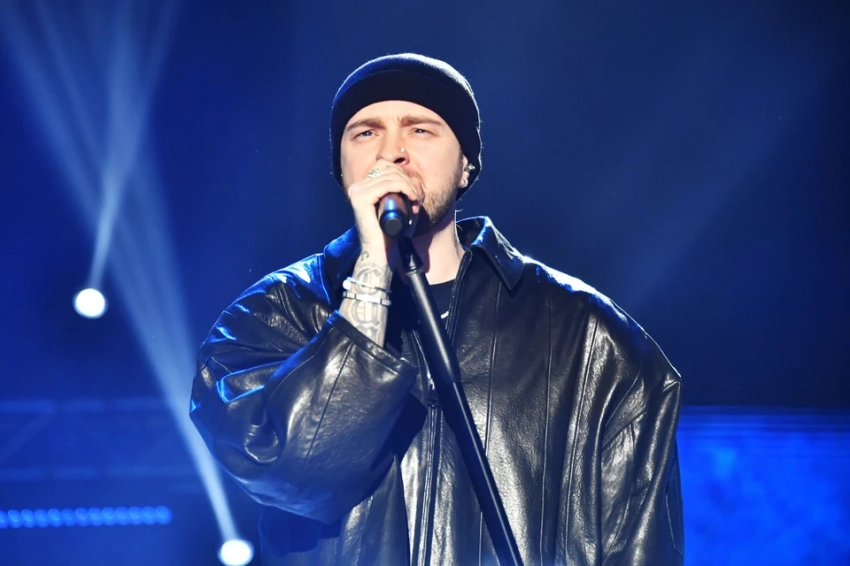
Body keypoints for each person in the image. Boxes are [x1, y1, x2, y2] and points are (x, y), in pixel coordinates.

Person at [190, 53, 684, 565]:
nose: (391, 153)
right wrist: (371, 276)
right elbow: (293, 472)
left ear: (467, 163)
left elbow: (640, 548)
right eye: (365, 133)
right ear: (342, 168)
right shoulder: (271, 317)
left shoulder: (593, 339)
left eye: (420, 129)